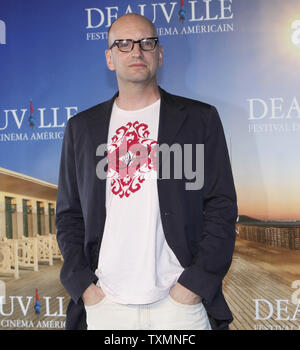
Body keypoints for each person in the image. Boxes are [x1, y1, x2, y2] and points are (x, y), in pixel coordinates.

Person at [55, 13, 238, 331]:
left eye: (146, 42)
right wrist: (85, 288)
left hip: (179, 306)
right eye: (123, 44)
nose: (136, 51)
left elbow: (222, 207)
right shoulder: (81, 129)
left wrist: (193, 286)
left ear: (160, 53)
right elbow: (69, 216)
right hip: (104, 306)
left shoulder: (200, 119)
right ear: (109, 58)